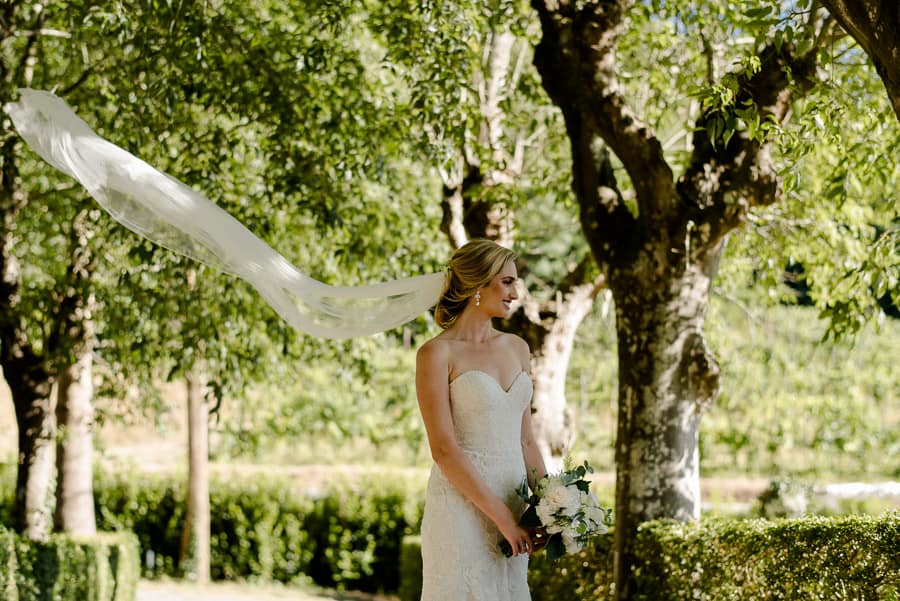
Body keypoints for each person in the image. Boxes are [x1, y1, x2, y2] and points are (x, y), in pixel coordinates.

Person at [416, 239, 547, 600]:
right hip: (460, 509)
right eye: (507, 281)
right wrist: (502, 520)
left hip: (515, 504)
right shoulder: (436, 354)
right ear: (478, 283)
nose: (515, 292)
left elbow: (526, 442)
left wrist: (553, 507)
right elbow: (443, 449)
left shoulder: (518, 348)